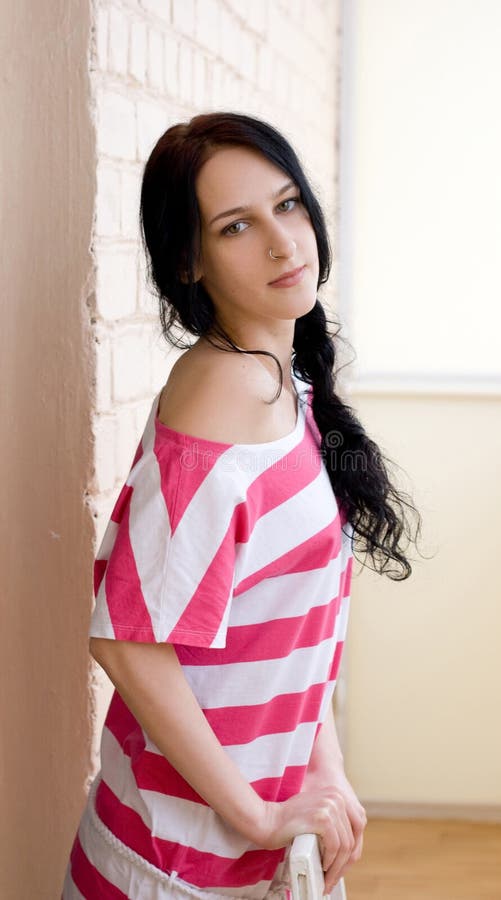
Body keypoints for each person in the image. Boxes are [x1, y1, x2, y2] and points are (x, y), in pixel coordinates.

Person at [62, 111, 422, 899]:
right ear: (189, 261)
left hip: (251, 856)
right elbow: (127, 639)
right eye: (237, 226)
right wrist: (259, 817)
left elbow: (289, 625)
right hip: (175, 866)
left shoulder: (277, 384)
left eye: (288, 205)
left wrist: (321, 770)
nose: (283, 241)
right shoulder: (226, 394)